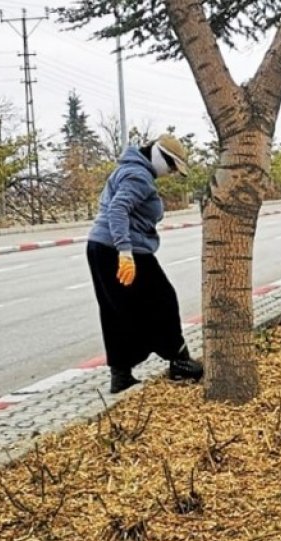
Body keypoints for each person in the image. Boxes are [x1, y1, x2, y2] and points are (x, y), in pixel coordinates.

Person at [86, 134, 204, 394]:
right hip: (122, 250)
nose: (172, 173)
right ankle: (179, 360)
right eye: (172, 166)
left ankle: (121, 375)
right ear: (160, 156)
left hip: (100, 246)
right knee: (162, 299)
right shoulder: (138, 176)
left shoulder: (128, 169)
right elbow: (117, 210)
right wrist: (125, 251)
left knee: (115, 310)